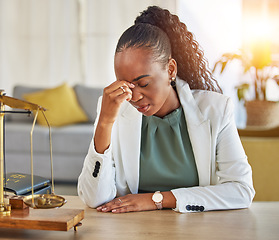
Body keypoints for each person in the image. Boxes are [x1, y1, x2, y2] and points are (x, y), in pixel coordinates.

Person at [78, 6, 255, 213]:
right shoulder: (113, 109)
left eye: (143, 84)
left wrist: (157, 199)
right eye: (126, 85)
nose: (134, 98)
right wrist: (105, 123)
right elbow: (94, 199)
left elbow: (241, 190)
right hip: (131, 230)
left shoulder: (216, 110)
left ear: (170, 70)